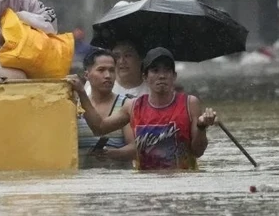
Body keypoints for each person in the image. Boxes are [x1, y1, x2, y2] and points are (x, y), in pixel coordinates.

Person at [67, 47, 217, 171]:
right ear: (145, 76)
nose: (162, 76)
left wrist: (202, 127)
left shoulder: (189, 103)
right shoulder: (133, 106)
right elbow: (99, 128)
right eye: (155, 71)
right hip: (146, 185)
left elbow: (198, 151)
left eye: (167, 71)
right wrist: (81, 92)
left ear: (174, 76)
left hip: (182, 182)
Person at [76, 48, 135, 169]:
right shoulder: (75, 107)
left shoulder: (126, 105)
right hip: (83, 182)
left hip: (117, 180)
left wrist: (113, 154)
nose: (108, 76)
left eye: (112, 70)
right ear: (87, 75)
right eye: (101, 70)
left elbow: (135, 147)